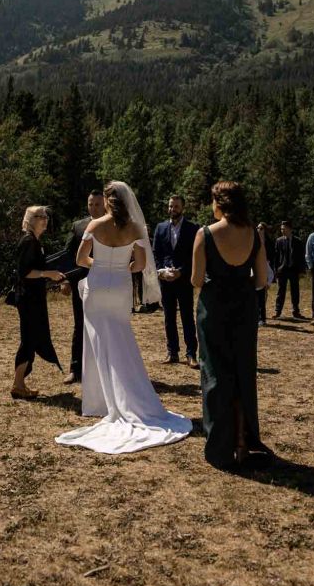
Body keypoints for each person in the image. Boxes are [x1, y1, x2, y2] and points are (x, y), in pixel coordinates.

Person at [55, 182, 192, 454]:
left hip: (96, 287)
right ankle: (129, 397)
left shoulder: (94, 227)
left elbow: (81, 259)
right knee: (121, 339)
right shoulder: (135, 228)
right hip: (120, 288)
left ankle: (99, 402)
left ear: (107, 201)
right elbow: (140, 265)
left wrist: (102, 264)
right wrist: (120, 267)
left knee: (97, 342)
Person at [191, 181, 272, 470]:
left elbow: (197, 280)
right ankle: (242, 443)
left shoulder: (205, 234)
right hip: (244, 307)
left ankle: (219, 448)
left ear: (219, 204)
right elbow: (262, 280)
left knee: (215, 375)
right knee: (242, 374)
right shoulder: (254, 234)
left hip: (214, 309)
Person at [10, 206, 65, 400]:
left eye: (45, 217)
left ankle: (20, 383)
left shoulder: (35, 241)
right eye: (39, 216)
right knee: (28, 339)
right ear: (30, 219)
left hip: (33, 297)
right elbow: (25, 272)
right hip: (28, 298)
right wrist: (47, 274)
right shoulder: (28, 241)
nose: (44, 220)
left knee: (31, 338)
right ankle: (17, 384)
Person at [62, 190, 106, 385]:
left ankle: (103, 367)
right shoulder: (78, 226)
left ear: (104, 204)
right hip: (81, 282)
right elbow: (68, 256)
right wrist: (64, 280)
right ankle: (75, 368)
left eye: (97, 204)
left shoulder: (113, 225)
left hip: (106, 283)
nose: (94, 208)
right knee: (80, 324)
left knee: (104, 325)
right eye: (91, 204)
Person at [152, 195, 200, 367]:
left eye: (176, 206)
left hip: (184, 280)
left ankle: (191, 354)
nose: (173, 209)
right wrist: (161, 272)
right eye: (171, 206)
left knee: (187, 317)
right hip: (166, 280)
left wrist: (182, 271)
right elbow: (156, 253)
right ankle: (172, 352)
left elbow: (196, 255)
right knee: (169, 317)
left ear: (183, 208)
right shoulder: (160, 228)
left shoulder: (193, 228)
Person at [273, 220, 305, 318]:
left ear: (290, 229)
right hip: (282, 269)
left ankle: (296, 311)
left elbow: (301, 257)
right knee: (280, 291)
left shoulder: (298, 241)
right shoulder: (279, 241)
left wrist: (301, 270)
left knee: (295, 291)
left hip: (294, 269)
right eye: (281, 229)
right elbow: (276, 257)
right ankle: (278, 311)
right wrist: (276, 270)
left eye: (284, 228)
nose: (282, 230)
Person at [256, 222, 275, 326]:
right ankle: (257, 316)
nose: (259, 229)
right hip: (255, 269)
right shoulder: (253, 241)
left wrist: (269, 280)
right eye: (258, 228)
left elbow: (271, 258)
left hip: (265, 267)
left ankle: (262, 317)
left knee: (262, 297)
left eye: (261, 228)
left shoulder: (269, 243)